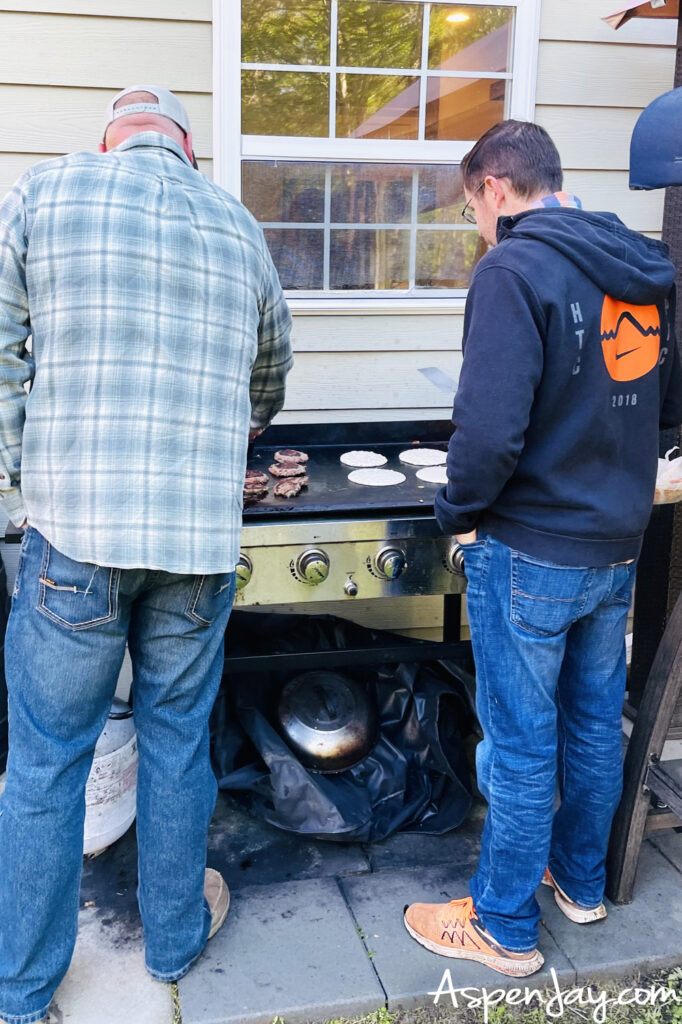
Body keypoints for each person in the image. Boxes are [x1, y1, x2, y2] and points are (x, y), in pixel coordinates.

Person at [0, 85, 292, 1023]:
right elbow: (271, 375)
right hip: (195, 543)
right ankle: (172, 944)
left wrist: (21, 475)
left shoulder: (44, 195)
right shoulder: (238, 228)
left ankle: (22, 992)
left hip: (72, 533)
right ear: (188, 152)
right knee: (176, 744)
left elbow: (5, 350)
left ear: (111, 144)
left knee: (45, 766)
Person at [404, 120, 682, 977]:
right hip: (616, 545)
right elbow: (667, 412)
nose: (477, 227)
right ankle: (581, 883)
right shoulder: (639, 267)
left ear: (493, 187)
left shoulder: (513, 268)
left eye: (472, 209)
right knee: (596, 725)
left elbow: (486, 432)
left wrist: (457, 509)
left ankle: (502, 927)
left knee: (522, 742)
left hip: (529, 551)